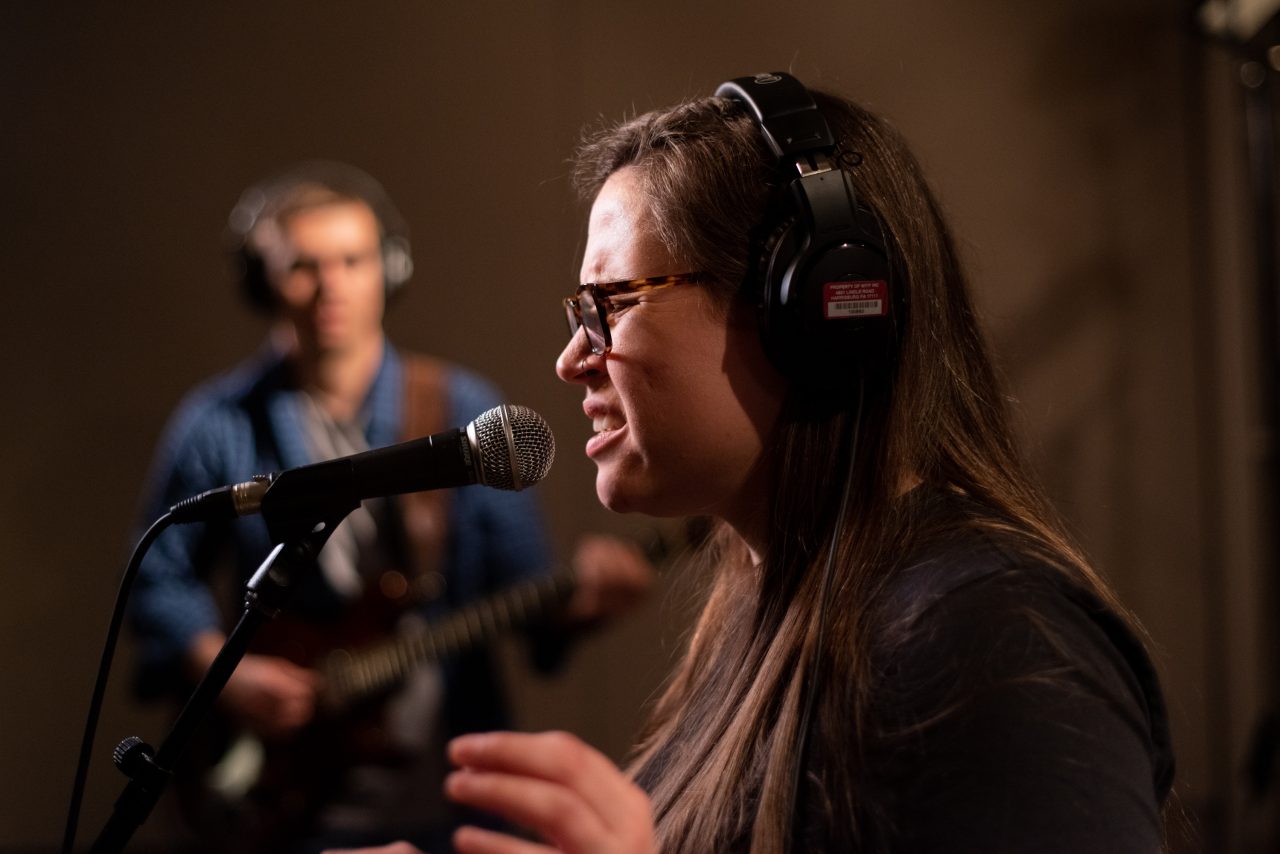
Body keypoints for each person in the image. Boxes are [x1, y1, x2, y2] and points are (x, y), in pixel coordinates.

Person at [341, 72, 1177, 853]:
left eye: (610, 304)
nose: (571, 359)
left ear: (809, 311)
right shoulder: (768, 604)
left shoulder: (992, 639)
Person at [127, 161, 654, 854]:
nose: (331, 286)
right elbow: (156, 575)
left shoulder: (463, 410)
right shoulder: (219, 423)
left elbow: (530, 600)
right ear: (264, 281)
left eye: (352, 259)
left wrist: (581, 602)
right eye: (303, 266)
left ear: (389, 268)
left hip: (441, 788)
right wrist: (225, 671)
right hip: (284, 798)